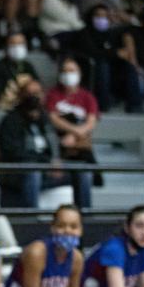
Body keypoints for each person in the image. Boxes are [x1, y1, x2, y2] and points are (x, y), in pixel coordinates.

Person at [0, 79, 91, 208]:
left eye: (38, 93)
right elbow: (13, 152)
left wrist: (66, 144)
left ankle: (84, 215)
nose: (35, 97)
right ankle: (30, 219)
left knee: (83, 170)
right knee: (33, 172)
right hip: (20, 172)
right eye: (30, 93)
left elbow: (55, 145)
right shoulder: (10, 120)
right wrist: (47, 163)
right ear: (21, 96)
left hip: (49, 168)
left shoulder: (45, 118)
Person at [45, 56, 100, 189]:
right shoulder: (53, 94)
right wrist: (74, 131)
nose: (68, 74)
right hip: (58, 140)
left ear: (79, 74)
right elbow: (52, 118)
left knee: (90, 173)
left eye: (72, 71)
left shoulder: (87, 96)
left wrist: (75, 135)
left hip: (80, 141)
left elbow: (91, 122)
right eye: (65, 71)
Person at [0, 31, 38, 129]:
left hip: (25, 110)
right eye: (13, 43)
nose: (17, 47)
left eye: (21, 43)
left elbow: (37, 90)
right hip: (4, 111)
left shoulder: (28, 67)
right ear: (6, 47)